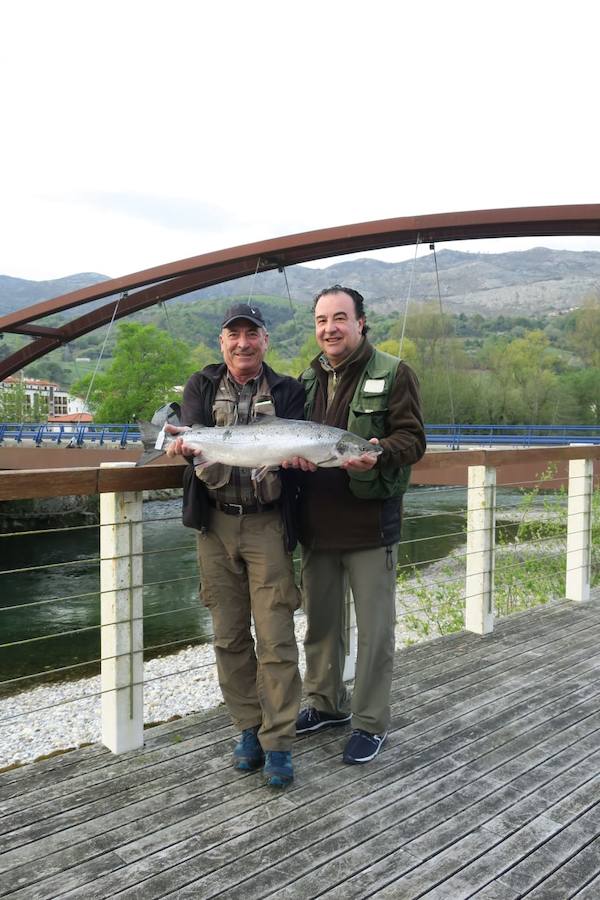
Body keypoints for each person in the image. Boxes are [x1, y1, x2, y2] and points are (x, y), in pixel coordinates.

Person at [166, 302, 304, 787]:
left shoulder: (289, 389)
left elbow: (302, 450)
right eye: (234, 334)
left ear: (266, 340)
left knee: (276, 637)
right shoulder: (200, 386)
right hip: (215, 524)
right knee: (228, 636)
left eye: (252, 334)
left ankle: (280, 740)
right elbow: (191, 437)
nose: (243, 342)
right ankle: (247, 728)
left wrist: (301, 460)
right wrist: (179, 445)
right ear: (221, 342)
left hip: (268, 525)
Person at [288, 285, 426, 765]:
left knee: (375, 632)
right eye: (322, 320)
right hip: (317, 526)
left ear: (360, 322)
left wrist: (380, 454)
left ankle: (369, 721)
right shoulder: (304, 380)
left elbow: (413, 439)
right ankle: (326, 704)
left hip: (371, 525)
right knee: (322, 628)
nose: (330, 328)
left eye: (340, 318)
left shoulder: (394, 372)